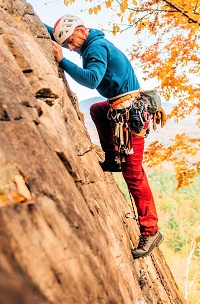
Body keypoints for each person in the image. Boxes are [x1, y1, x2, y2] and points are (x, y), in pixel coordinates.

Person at [45, 14, 163, 259]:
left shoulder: (95, 47)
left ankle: (151, 231)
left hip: (132, 115)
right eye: (66, 44)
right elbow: (62, 36)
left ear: (82, 30)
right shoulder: (93, 43)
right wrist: (41, 25)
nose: (70, 47)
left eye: (71, 42)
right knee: (97, 110)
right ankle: (112, 159)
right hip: (122, 106)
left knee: (133, 173)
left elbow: (91, 80)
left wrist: (62, 60)